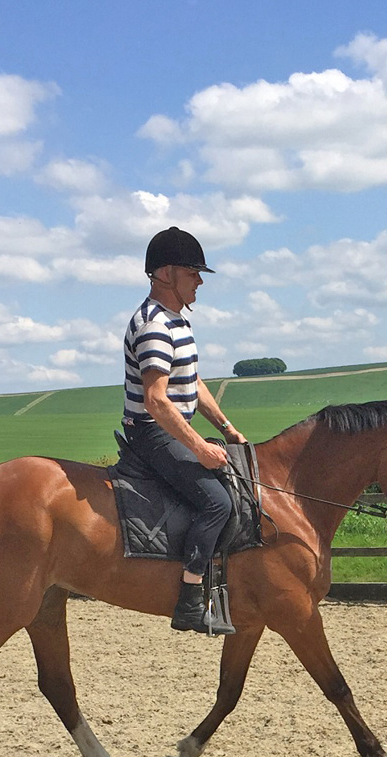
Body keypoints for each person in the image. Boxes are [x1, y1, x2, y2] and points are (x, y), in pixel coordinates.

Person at [122, 226, 247, 635]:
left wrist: (228, 430)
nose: (199, 282)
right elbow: (157, 401)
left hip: (171, 427)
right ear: (167, 273)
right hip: (152, 432)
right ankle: (190, 601)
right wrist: (201, 447)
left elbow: (192, 383)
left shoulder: (176, 322)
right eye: (194, 273)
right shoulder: (153, 324)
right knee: (217, 503)